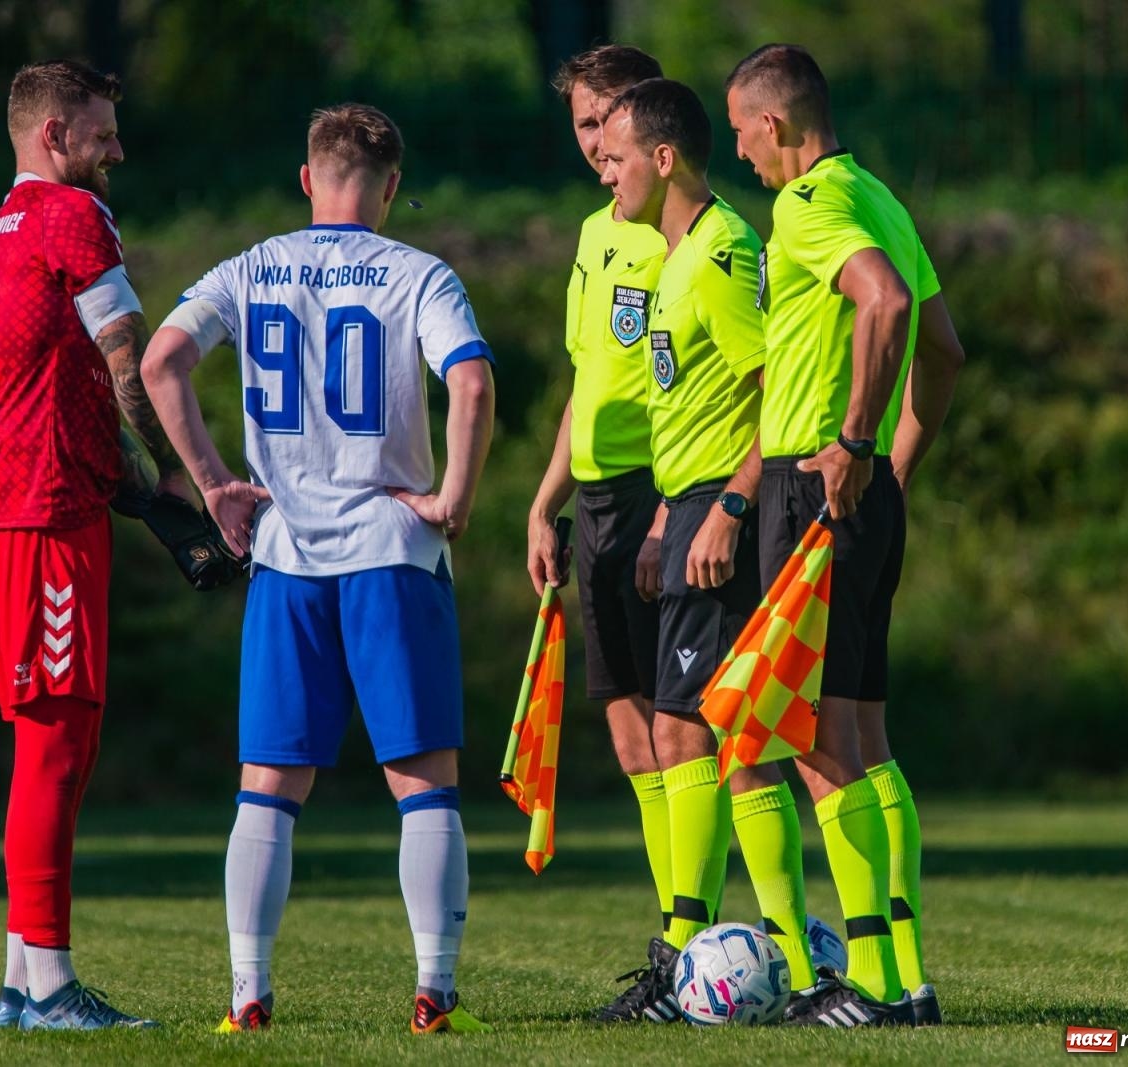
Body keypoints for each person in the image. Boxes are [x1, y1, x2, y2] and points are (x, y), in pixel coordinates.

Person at [141, 103, 497, 1037]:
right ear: (388, 187)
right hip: (393, 550)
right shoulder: (421, 273)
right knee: (425, 782)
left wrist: (214, 482)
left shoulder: (250, 267)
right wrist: (454, 498)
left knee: (268, 784)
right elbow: (470, 382)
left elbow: (162, 358)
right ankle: (435, 992)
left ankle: (247, 995)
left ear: (307, 179)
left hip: (287, 554)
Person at [724, 43, 966, 1027]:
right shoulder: (882, 197)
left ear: (773, 124)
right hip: (859, 494)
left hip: (810, 487)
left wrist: (855, 442)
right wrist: (894, 466)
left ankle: (869, 984)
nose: (738, 152)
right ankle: (905, 976)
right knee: (862, 734)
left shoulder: (811, 204)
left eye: (740, 130)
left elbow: (889, 304)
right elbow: (942, 351)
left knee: (818, 738)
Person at [597, 73, 825, 1016]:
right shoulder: (672, 256)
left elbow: (779, 385)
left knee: (717, 733)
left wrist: (730, 507)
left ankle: (708, 958)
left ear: (662, 158)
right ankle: (708, 956)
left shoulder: (724, 252)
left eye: (617, 159)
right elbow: (685, 401)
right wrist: (663, 520)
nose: (607, 178)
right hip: (683, 507)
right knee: (701, 730)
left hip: (720, 509)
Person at [0, 61, 174, 1030]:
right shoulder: (69, 217)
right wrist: (187, 477)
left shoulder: (6, 224)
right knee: (54, 742)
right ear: (53, 133)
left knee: (58, 739)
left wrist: (127, 485)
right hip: (40, 512)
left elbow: (62, 382)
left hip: (13, 505)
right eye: (101, 132)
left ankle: (21, 975)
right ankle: (48, 982)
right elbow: (128, 360)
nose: (116, 149)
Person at [524, 45, 683, 1023]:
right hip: (594, 502)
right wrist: (545, 500)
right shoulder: (594, 233)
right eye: (582, 125)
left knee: (681, 726)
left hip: (663, 490)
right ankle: (678, 939)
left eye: (607, 122)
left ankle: (693, 939)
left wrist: (682, 504)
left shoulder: (690, 235)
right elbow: (589, 380)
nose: (594, 145)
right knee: (628, 733)